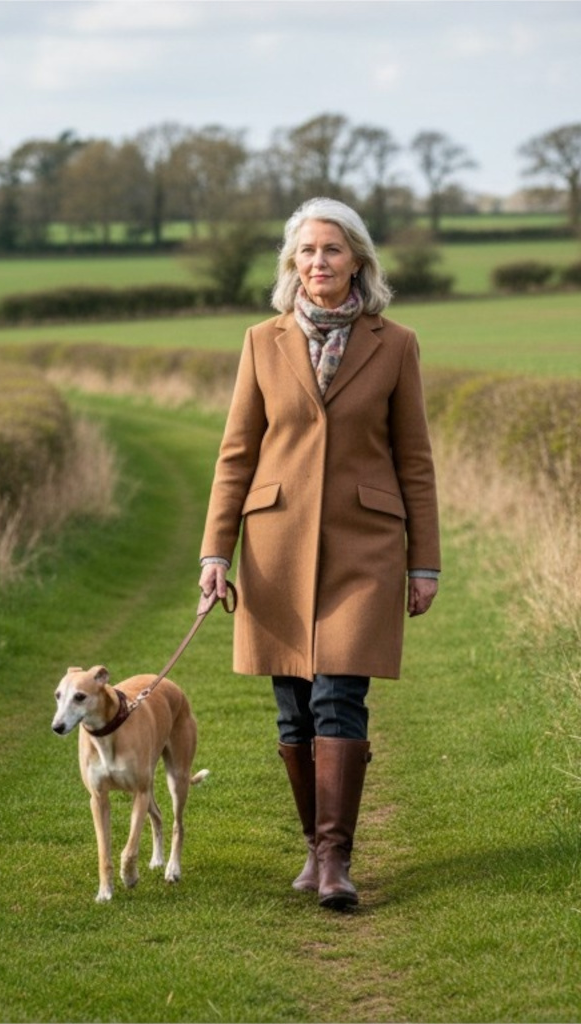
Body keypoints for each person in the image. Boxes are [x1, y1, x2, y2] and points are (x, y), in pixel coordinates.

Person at [198, 197, 441, 910]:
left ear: (358, 260)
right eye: (305, 251)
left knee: (340, 692)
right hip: (274, 546)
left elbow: (416, 460)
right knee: (294, 710)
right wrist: (216, 552)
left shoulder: (394, 343)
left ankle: (334, 861)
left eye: (332, 250)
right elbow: (235, 454)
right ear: (290, 264)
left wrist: (424, 561)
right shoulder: (260, 342)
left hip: (365, 547)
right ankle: (311, 848)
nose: (318, 263)